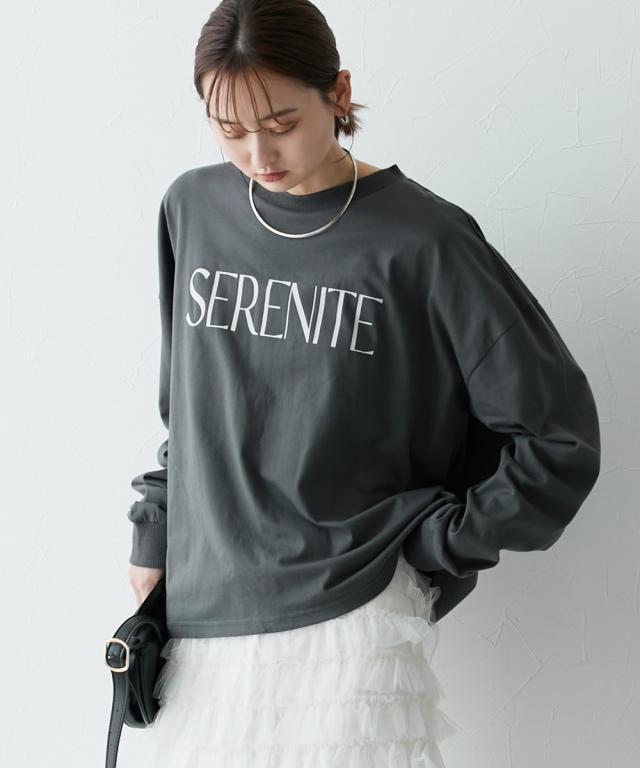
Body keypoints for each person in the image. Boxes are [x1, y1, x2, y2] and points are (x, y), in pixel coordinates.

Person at [126, 1, 601, 766]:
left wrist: (440, 543)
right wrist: (154, 530)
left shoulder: (426, 240)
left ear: (339, 93)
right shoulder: (193, 209)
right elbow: (188, 405)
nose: (257, 152)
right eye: (229, 128)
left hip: (351, 621)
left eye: (281, 122)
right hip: (204, 611)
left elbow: (558, 439)